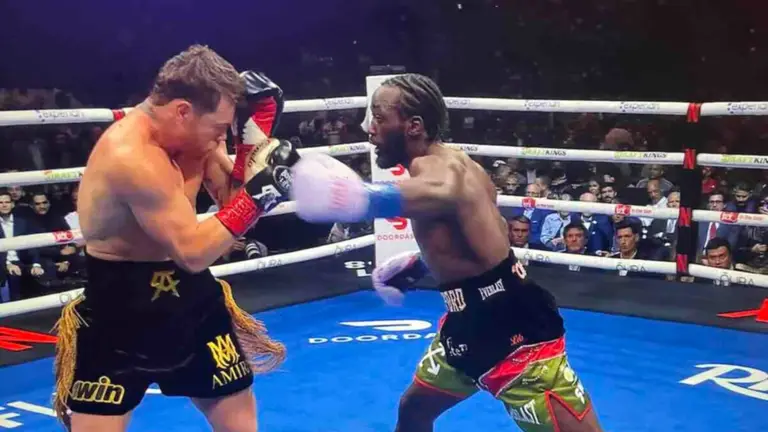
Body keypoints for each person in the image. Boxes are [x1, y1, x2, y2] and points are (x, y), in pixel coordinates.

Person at [291, 73, 602, 432]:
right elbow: (492, 232)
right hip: (466, 323)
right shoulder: (459, 162)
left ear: (413, 126)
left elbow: (443, 191)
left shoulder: (442, 171)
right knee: (413, 410)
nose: (369, 128)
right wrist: (422, 264)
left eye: (378, 117)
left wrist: (358, 197)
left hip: (516, 333)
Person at [52, 45, 301, 432]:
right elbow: (194, 252)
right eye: (219, 128)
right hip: (120, 306)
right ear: (183, 111)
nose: (221, 137)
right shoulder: (132, 157)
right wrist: (260, 194)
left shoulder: (195, 137)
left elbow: (231, 205)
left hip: (192, 300)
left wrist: (252, 143)